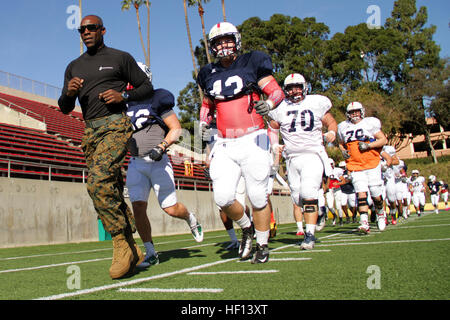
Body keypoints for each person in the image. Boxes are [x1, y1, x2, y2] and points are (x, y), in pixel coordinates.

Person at [57, 15, 154, 279]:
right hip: (90, 132)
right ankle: (133, 244)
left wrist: (123, 95)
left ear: (102, 30)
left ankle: (121, 244)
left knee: (97, 182)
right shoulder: (74, 66)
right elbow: (64, 108)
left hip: (116, 125)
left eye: (91, 28)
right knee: (107, 186)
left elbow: (147, 88)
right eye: (82, 29)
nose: (86, 32)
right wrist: (68, 92)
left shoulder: (120, 57)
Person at [197, 22, 285, 263]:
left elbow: (276, 91)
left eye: (227, 40)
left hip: (253, 137)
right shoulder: (207, 73)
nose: (223, 46)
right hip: (225, 142)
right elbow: (207, 105)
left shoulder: (252, 61)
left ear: (236, 40)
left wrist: (270, 104)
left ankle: (263, 244)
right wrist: (203, 123)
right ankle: (247, 228)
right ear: (212, 47)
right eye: (218, 42)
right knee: (223, 198)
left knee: (258, 197)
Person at [124, 64, 204, 268]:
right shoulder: (123, 104)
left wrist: (162, 146)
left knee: (170, 208)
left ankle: (189, 217)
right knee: (138, 208)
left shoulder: (157, 98)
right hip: (135, 163)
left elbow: (176, 129)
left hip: (158, 162)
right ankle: (151, 252)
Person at [268, 73, 338, 250]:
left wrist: (332, 133)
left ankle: (310, 234)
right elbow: (272, 127)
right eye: (291, 88)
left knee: (308, 193)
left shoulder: (315, 103)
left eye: (298, 86)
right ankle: (319, 210)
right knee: (298, 199)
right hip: (292, 158)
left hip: (312, 155)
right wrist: (275, 145)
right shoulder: (280, 107)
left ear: (305, 86)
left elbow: (331, 121)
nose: (294, 90)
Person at [337, 101, 387, 233]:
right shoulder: (343, 127)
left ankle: (381, 212)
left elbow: (383, 140)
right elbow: (341, 143)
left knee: (376, 194)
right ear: (348, 114)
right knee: (361, 193)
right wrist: (342, 150)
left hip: (371, 162)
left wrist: (369, 146)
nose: (354, 114)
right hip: (354, 164)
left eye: (357, 111)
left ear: (362, 111)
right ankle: (364, 221)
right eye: (352, 112)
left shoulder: (369, 123)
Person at [325, 159, 345, 226]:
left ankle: (341, 219)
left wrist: (338, 183)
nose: (331, 165)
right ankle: (334, 215)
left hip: (337, 189)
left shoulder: (338, 170)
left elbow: (343, 181)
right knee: (330, 206)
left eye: (331, 164)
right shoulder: (325, 170)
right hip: (329, 190)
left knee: (338, 206)